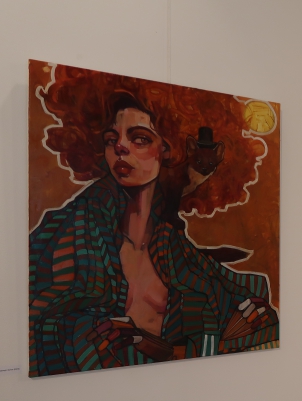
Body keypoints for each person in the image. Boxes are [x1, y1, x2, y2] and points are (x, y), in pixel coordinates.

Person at [29, 69, 278, 377]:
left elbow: (247, 308)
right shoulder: (69, 234)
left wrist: (251, 316)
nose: (121, 147)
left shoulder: (174, 249)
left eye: (140, 138)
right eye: (111, 139)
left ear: (170, 149)